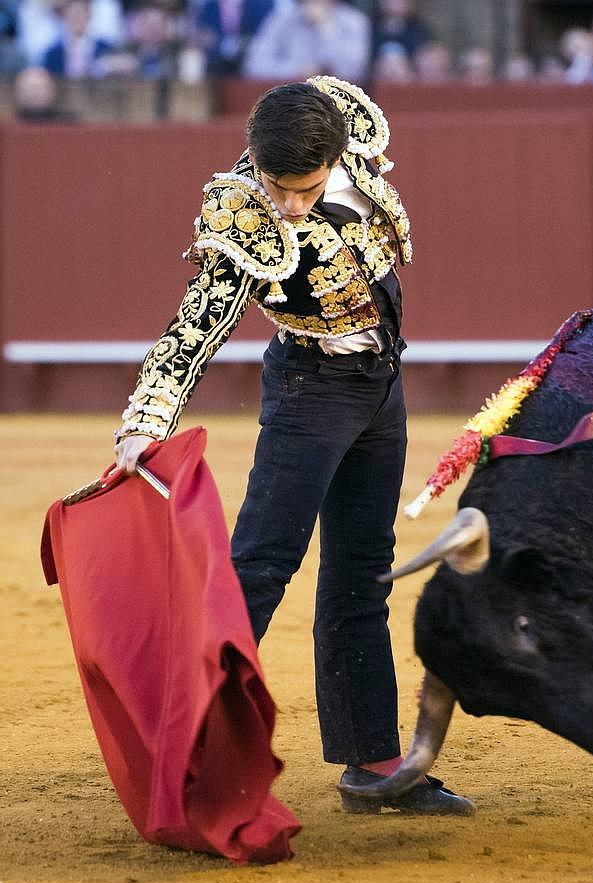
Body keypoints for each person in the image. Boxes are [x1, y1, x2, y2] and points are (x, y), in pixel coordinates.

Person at [113, 76, 474, 816]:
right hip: (312, 389)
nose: (288, 204)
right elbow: (197, 322)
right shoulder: (243, 211)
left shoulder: (347, 137)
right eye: (278, 186)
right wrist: (147, 419)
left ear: (337, 158)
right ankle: (188, 762)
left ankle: (372, 763)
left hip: (379, 385)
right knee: (259, 568)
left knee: (361, 573)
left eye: (304, 189)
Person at [242, 0, 371, 84]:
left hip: (335, 101)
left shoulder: (355, 22)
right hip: (289, 98)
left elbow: (353, 71)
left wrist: (324, 28)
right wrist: (297, 71)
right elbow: (253, 65)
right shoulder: (281, 19)